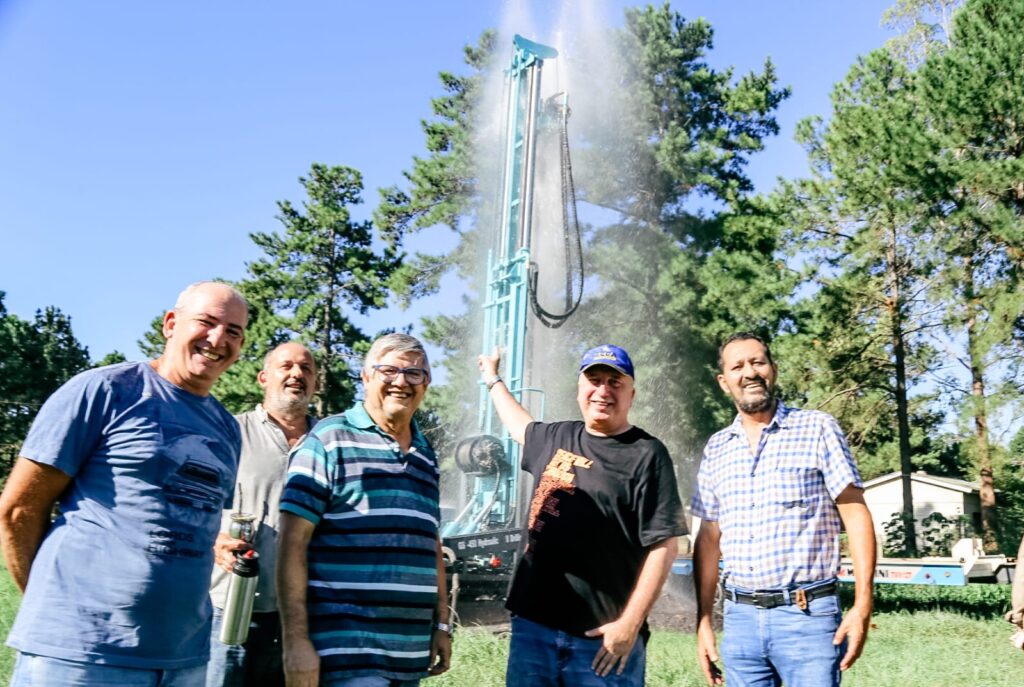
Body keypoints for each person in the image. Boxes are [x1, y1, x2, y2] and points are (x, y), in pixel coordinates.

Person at [0, 281, 249, 686]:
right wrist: (56, 611)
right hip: (81, 656)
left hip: (182, 659)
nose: (218, 338)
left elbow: (192, 520)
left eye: (234, 331)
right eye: (206, 322)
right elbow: (18, 510)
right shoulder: (106, 391)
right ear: (171, 324)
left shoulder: (225, 428)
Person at [478, 343, 687, 687]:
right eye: (594, 380)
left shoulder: (647, 454)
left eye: (614, 382)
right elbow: (518, 424)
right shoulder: (556, 436)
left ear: (631, 394)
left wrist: (629, 625)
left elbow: (665, 546)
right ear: (579, 389)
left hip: (603, 640)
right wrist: (492, 378)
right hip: (533, 628)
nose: (603, 390)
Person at [691, 332, 876, 687]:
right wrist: (702, 619)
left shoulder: (817, 428)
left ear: (773, 369)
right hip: (740, 620)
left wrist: (863, 603)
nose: (750, 373)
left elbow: (855, 512)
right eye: (737, 366)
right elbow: (709, 537)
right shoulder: (717, 448)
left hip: (807, 617)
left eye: (758, 362)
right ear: (723, 382)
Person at [276, 333, 451, 687]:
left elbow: (430, 544)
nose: (401, 382)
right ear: (366, 377)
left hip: (408, 657)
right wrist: (296, 641)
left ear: (426, 384)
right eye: (389, 370)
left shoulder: (425, 455)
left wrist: (442, 624)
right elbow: (291, 546)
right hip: (346, 656)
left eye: (414, 374)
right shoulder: (328, 440)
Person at [207, 342, 318, 687]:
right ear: (263, 377)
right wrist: (215, 539)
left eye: (306, 369)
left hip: (303, 619)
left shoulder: (328, 442)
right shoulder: (229, 432)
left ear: (315, 383)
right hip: (229, 611)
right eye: (286, 366)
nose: (297, 374)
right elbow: (194, 505)